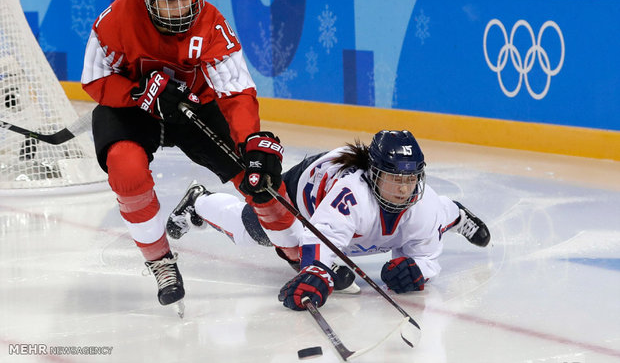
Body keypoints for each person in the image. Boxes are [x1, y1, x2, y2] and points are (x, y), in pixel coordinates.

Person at [80, 0, 299, 314]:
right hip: (135, 110)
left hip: (197, 107)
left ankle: (299, 249)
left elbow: (237, 92)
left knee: (258, 176)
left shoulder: (211, 23)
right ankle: (159, 259)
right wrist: (139, 94)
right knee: (126, 167)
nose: (179, 7)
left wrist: (250, 143)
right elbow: (95, 78)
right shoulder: (120, 15)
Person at [167, 130, 491, 311]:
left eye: (410, 180)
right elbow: (322, 236)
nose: (404, 189)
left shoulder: (424, 204)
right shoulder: (352, 195)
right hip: (303, 194)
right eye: (394, 179)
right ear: (374, 175)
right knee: (253, 230)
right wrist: (318, 272)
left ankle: (457, 212)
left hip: (411, 214)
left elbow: (427, 254)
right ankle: (200, 202)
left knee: (436, 214)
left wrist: (419, 270)